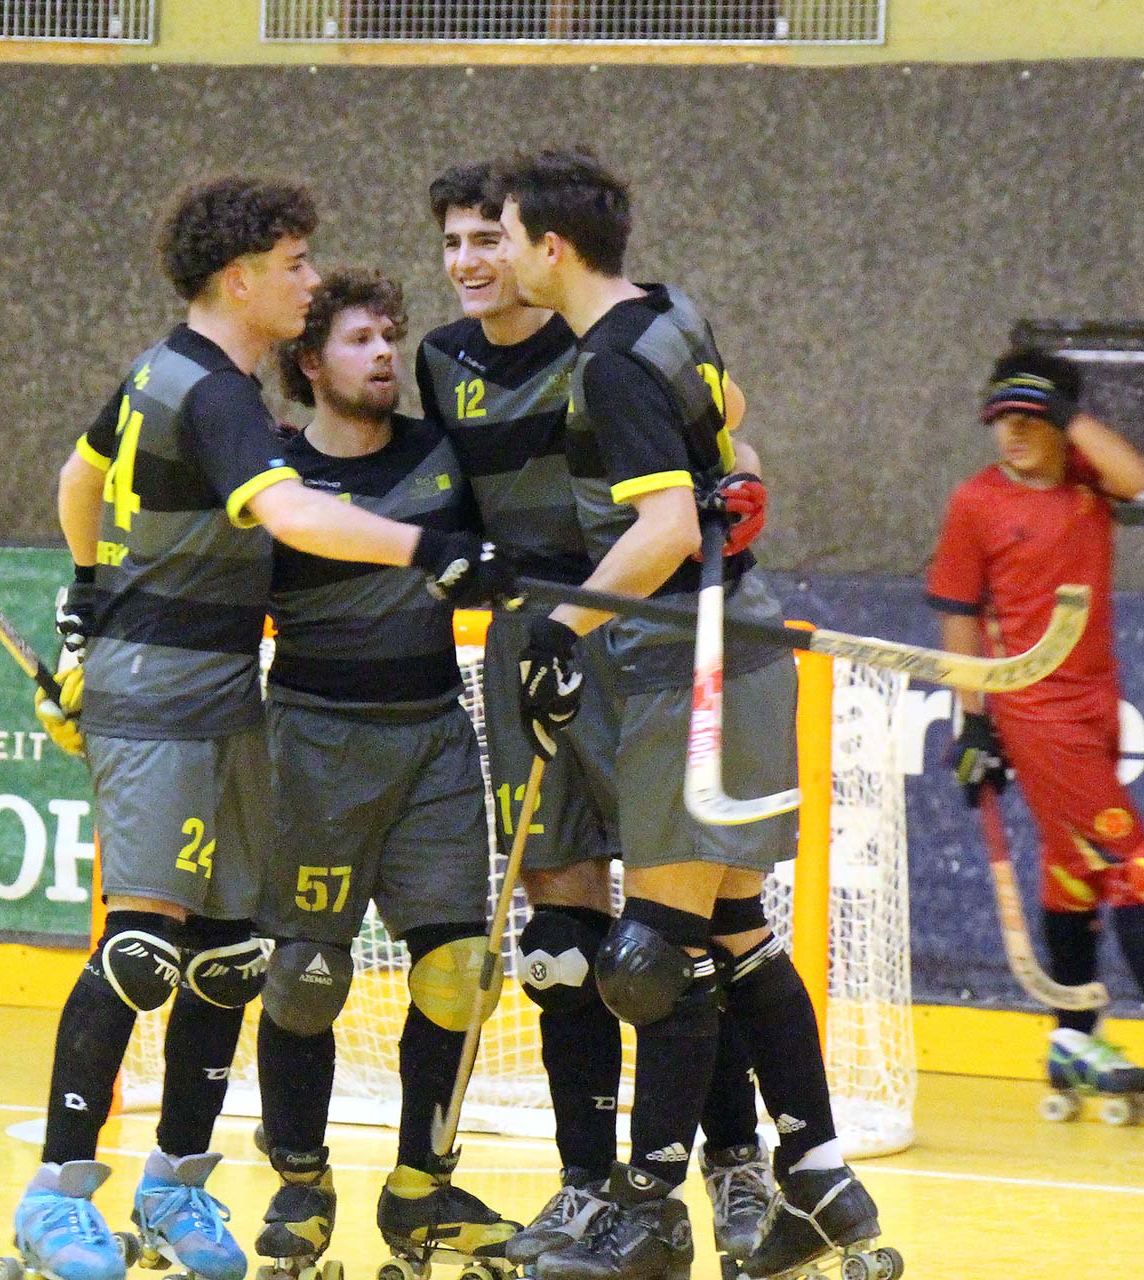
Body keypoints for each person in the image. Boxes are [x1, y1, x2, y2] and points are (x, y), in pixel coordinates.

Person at [16, 176, 514, 1280]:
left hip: (226, 688)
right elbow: (288, 511)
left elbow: (78, 477)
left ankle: (175, 1187)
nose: (309, 280)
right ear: (241, 279)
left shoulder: (171, 371)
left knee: (228, 956)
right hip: (162, 694)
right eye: (295, 264)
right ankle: (54, 1195)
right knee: (141, 949)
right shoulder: (211, 393)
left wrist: (87, 591)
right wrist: (424, 547)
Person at [493, 148, 890, 1280]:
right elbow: (732, 418)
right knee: (735, 934)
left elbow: (664, 528)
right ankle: (821, 1181)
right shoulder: (672, 312)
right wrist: (727, 476)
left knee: (652, 959)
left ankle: (649, 1215)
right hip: (742, 649)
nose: (503, 256)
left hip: (687, 666)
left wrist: (560, 627)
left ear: (551, 249)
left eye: (508, 237)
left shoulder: (608, 365)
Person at [413, 163, 774, 1271]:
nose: (471, 261)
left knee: (673, 935)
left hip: (635, 634)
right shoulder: (440, 360)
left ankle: (736, 1163)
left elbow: (727, 435)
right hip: (533, 645)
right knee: (561, 945)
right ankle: (584, 1186)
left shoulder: (607, 340)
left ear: (541, 246)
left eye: (490, 237)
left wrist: (741, 485)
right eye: (454, 242)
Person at [927, 348, 1144, 1130]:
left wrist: (1066, 410)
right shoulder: (976, 501)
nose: (1013, 435)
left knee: (1074, 870)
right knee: (1135, 861)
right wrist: (974, 719)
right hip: (1036, 709)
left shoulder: (1088, 481)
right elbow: (957, 613)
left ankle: (1074, 1042)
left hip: (1097, 702)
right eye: (1002, 421)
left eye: (1029, 419)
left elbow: (1136, 476)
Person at [248, 268, 519, 1274]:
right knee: (304, 978)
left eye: (389, 337)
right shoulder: (276, 477)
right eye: (359, 340)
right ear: (310, 362)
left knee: (461, 974)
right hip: (313, 747)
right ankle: (300, 1184)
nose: (383, 355)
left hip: (435, 739)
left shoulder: (444, 453)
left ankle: (420, 1191)